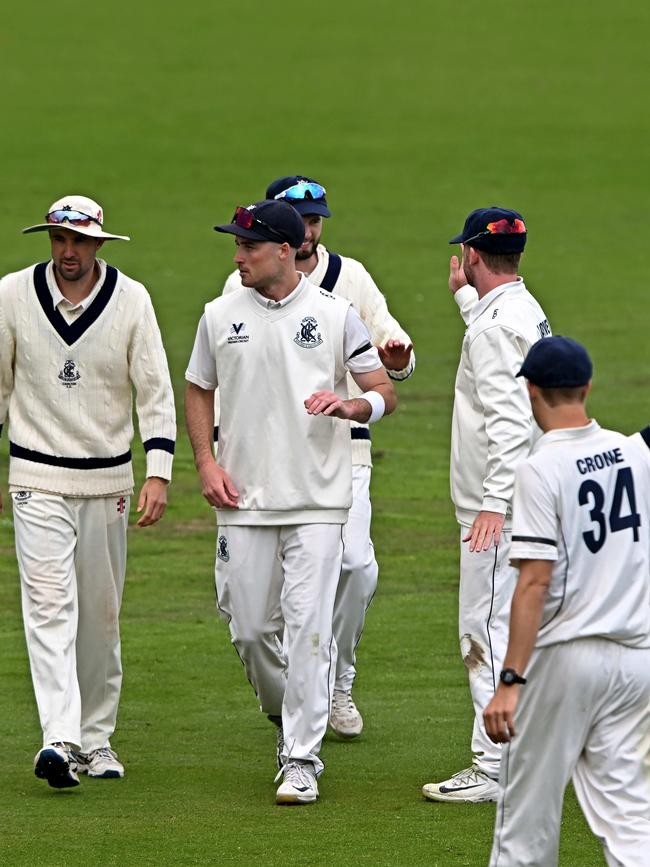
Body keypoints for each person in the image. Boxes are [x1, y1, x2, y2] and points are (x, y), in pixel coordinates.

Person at [185, 199, 396, 804]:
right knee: (250, 629)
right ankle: (288, 709)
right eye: (237, 246)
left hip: (318, 500)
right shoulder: (219, 314)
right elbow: (199, 388)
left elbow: (381, 390)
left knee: (308, 629)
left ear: (283, 250)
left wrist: (352, 406)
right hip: (243, 498)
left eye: (248, 246)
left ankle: (302, 757)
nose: (237, 256)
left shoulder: (334, 314)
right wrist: (205, 462)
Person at [219, 175, 414, 738]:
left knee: (356, 565)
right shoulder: (242, 280)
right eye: (298, 220)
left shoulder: (349, 278)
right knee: (255, 609)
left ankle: (337, 679)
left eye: (316, 220)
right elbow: (218, 375)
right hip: (262, 460)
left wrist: (397, 358)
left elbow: (391, 366)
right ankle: (292, 694)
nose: (308, 231)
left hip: (341, 450)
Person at [0, 195, 176, 789]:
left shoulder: (132, 300)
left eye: (78, 241)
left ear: (99, 243)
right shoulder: (11, 294)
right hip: (35, 477)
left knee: (99, 619)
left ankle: (97, 740)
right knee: (49, 609)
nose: (67, 252)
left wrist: (158, 470)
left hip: (107, 481)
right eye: (58, 240)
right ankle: (60, 738)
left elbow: (154, 390)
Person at [483, 336, 650, 866]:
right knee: (630, 815)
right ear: (588, 386)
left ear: (531, 391)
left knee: (525, 820)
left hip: (566, 660)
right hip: (637, 661)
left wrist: (510, 681)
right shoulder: (634, 453)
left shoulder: (539, 468)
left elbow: (534, 581)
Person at [423, 207, 551, 803]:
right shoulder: (518, 309)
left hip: (499, 504)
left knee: (487, 631)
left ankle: (496, 765)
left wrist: (493, 505)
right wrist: (468, 305)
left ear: (472, 256)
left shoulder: (496, 327)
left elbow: (509, 420)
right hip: (532, 496)